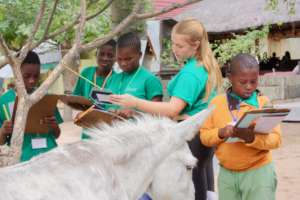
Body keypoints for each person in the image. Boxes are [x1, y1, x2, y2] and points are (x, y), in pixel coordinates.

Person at [110, 19, 222, 200]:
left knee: (191, 185)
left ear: (195, 45)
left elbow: (172, 109)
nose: (174, 49)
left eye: (180, 45)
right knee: (202, 181)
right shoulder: (203, 65)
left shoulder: (191, 73)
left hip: (190, 134)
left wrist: (135, 102)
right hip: (202, 135)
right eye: (173, 44)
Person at [200, 53, 281, 200]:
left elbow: (276, 140)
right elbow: (204, 137)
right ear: (230, 78)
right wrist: (221, 133)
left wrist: (252, 138)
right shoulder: (216, 104)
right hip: (227, 175)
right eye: (243, 82)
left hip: (259, 174)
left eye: (253, 81)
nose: (249, 86)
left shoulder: (264, 104)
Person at [0, 51, 63, 162]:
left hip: (51, 156)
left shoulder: (45, 97)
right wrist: (4, 131)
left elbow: (57, 135)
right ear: (16, 73)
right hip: (23, 161)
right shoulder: (4, 101)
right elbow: (1, 141)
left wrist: (54, 126)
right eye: (26, 76)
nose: (32, 80)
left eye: (36, 76)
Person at [109, 32, 163, 118]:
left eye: (128, 59)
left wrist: (135, 113)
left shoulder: (150, 79)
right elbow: (105, 106)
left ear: (140, 55)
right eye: (119, 59)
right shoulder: (113, 79)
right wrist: (110, 111)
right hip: (113, 130)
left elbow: (158, 114)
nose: (123, 63)